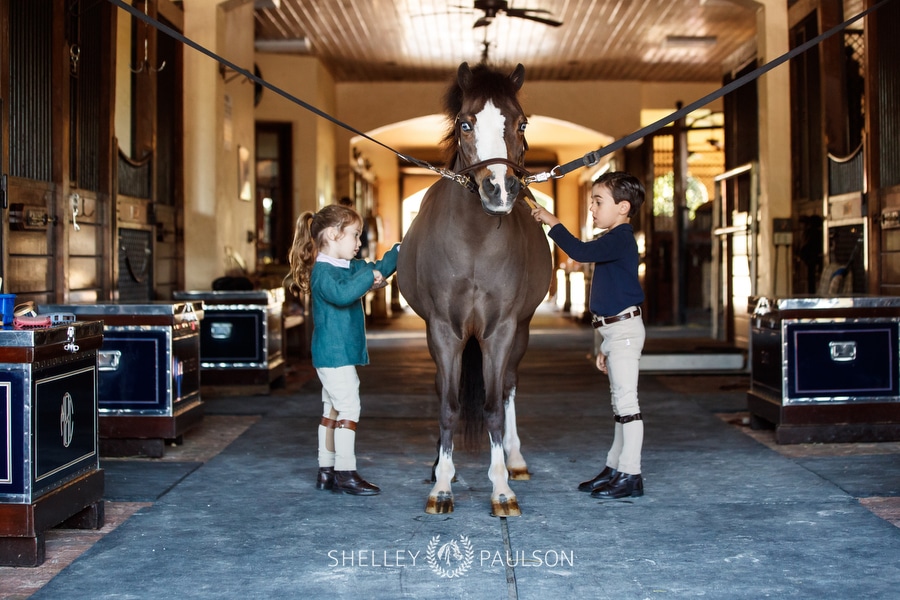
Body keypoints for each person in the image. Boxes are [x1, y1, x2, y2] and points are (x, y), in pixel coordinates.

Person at [531, 171, 646, 499]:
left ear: (623, 207)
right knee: (619, 404)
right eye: (591, 202)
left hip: (623, 331)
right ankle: (616, 466)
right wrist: (602, 345)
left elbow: (578, 252)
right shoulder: (612, 239)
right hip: (613, 331)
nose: (592, 209)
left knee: (627, 404)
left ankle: (631, 473)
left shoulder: (621, 236)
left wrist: (552, 221)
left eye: (598, 202)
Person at [287, 204, 400, 496]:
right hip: (333, 355)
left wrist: (399, 251)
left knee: (333, 410)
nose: (359, 242)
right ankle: (346, 473)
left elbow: (374, 269)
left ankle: (326, 471)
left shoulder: (344, 267)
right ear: (334, 235)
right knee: (349, 407)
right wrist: (368, 279)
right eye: (355, 235)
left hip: (337, 355)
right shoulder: (323, 272)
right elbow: (343, 294)